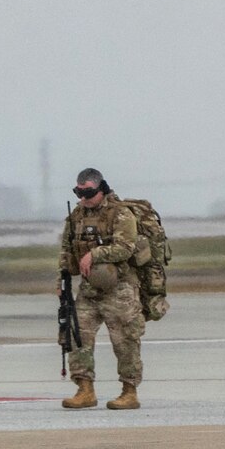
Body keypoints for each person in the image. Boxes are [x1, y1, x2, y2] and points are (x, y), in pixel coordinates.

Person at [57, 168, 145, 410]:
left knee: (125, 340)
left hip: (119, 289)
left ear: (101, 188)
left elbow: (125, 248)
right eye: (79, 192)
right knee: (77, 337)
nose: (84, 198)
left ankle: (129, 391)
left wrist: (95, 254)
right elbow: (66, 250)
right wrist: (61, 282)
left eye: (89, 192)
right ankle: (85, 389)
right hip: (88, 290)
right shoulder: (77, 216)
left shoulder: (120, 214)